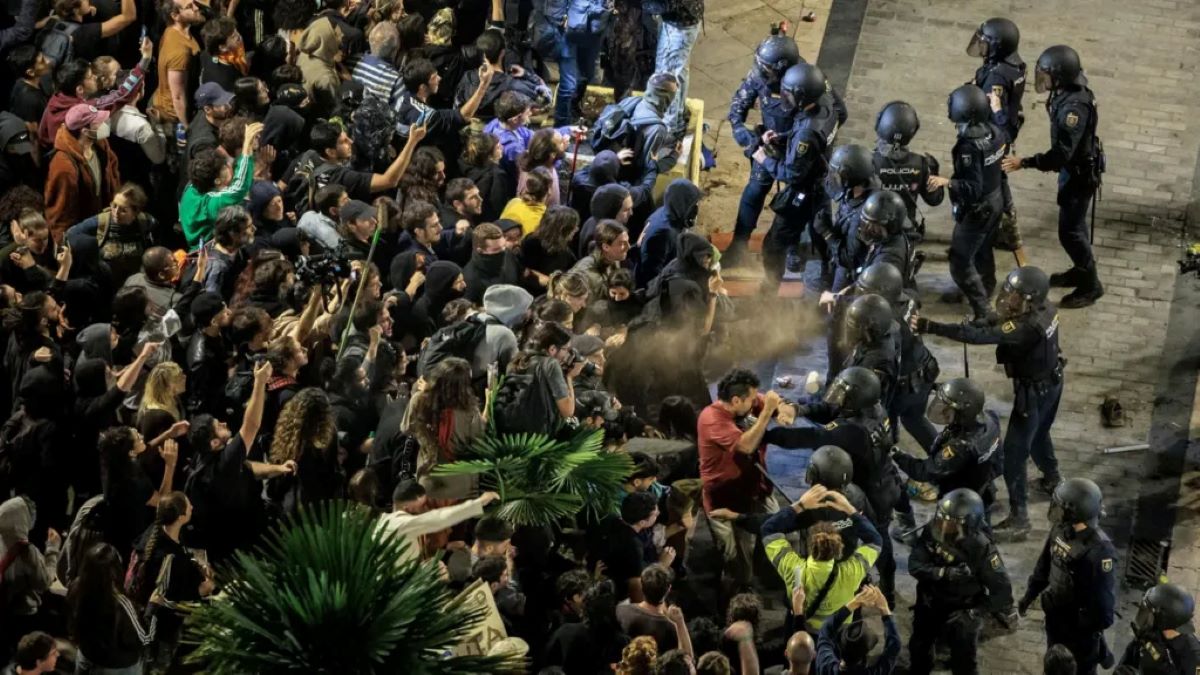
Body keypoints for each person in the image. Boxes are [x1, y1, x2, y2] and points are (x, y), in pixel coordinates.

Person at [913, 266, 1063, 540]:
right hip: (1052, 383)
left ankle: (1020, 518)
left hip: (1033, 393)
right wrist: (985, 320)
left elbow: (984, 336)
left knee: (1015, 456)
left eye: (1017, 297)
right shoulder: (1045, 310)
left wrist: (930, 326)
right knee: (1040, 434)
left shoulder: (1025, 328)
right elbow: (1001, 321)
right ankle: (1052, 477)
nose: (1010, 301)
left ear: (1031, 300)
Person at [1002, 45, 1104, 308]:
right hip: (1074, 171)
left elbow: (1061, 155)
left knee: (1070, 233)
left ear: (1061, 77)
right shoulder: (1067, 91)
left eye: (1047, 75)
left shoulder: (1074, 109)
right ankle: (1081, 270)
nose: (1043, 80)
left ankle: (1090, 285)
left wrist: (1025, 162)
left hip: (1079, 175)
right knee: (1075, 228)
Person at [907, 488, 1016, 675]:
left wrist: (975, 612)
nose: (943, 525)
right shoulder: (932, 530)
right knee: (918, 649)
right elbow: (915, 564)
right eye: (942, 518)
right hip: (930, 602)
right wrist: (943, 572)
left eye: (950, 523)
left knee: (964, 662)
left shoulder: (981, 547)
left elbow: (1003, 593)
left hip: (961, 611)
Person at [696, 368, 784, 590]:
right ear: (736, 400)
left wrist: (780, 408)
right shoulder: (711, 418)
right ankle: (734, 592)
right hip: (723, 497)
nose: (756, 402)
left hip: (755, 488)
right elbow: (745, 445)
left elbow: (773, 404)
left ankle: (763, 573)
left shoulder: (746, 405)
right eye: (752, 398)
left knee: (775, 526)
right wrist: (767, 413)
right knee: (734, 557)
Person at [1018, 478, 1116, 675]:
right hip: (1056, 618)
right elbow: (1044, 566)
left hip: (1080, 633)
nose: (1056, 510)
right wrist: (1029, 595)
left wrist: (1083, 626)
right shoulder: (1061, 529)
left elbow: (1104, 609)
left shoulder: (1099, 552)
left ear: (1076, 512)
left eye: (1061, 506)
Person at [725, 33, 803, 266]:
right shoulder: (759, 75)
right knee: (754, 190)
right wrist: (747, 138)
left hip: (798, 149)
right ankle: (739, 243)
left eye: (767, 69)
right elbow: (737, 108)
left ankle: (793, 246)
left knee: (799, 199)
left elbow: (827, 116)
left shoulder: (805, 79)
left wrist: (790, 138)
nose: (761, 72)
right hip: (768, 146)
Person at [930, 84, 1006, 322]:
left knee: (960, 260)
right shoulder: (995, 132)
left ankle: (983, 310)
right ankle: (987, 284)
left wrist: (947, 182)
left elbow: (972, 189)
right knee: (983, 248)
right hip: (996, 200)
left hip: (978, 210)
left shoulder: (968, 148)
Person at [761, 486, 881, 632]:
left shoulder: (794, 569)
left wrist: (800, 505)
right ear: (839, 549)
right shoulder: (852, 572)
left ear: (810, 545)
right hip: (836, 634)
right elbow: (875, 540)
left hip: (801, 630)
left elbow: (768, 529)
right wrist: (850, 509)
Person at [764, 63, 839, 291]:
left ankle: (768, 291)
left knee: (774, 244)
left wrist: (762, 158)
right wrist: (786, 137)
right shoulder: (827, 105)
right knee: (818, 238)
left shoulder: (806, 134)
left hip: (803, 192)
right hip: (821, 182)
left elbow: (792, 174)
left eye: (789, 93)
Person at [892, 378, 1001, 510]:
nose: (944, 412)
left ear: (964, 413)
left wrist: (897, 454)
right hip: (982, 490)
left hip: (959, 503)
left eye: (949, 409)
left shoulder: (959, 448)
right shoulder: (990, 419)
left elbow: (924, 471)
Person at [967, 18, 1025, 251]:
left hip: (993, 136)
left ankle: (1002, 230)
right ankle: (1009, 228)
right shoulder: (1015, 65)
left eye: (986, 43)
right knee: (998, 178)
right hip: (1004, 132)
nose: (982, 47)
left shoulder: (997, 77)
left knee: (990, 180)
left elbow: (992, 107)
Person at [66, 543, 155, 674]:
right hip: (115, 667)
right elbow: (144, 638)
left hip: (86, 657)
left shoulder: (76, 588)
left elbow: (72, 623)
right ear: (114, 571)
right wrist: (153, 608)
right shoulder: (121, 603)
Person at [44, 104, 123, 242]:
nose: (105, 125)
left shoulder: (101, 146)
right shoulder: (63, 165)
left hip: (103, 226)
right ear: (85, 131)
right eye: (99, 123)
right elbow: (60, 213)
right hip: (81, 234)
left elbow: (114, 178)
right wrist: (63, 245)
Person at [378, 480, 500, 565]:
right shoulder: (401, 524)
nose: (425, 509)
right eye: (421, 505)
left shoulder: (383, 521)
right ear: (407, 507)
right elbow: (440, 518)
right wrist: (480, 502)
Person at [179, 122, 261, 247]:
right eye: (225, 167)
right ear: (217, 181)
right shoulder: (209, 205)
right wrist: (247, 149)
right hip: (207, 253)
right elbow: (239, 188)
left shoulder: (193, 187)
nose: (229, 166)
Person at [871, 101, 944, 239]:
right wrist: (934, 172)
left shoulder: (869, 161)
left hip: (874, 229)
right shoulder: (921, 163)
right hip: (904, 230)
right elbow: (935, 199)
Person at [813, 586, 899, 675]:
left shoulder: (825, 665)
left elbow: (826, 628)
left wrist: (854, 603)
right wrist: (884, 608)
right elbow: (894, 646)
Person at [1120, 582, 1200, 674]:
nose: (1147, 617)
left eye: (1150, 613)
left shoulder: (1194, 658)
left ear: (1164, 619)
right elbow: (1129, 657)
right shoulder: (1150, 632)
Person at [152, 0, 205, 132]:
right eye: (189, 7)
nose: (196, 8)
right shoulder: (180, 52)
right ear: (175, 16)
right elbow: (178, 96)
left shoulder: (173, 30)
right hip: (174, 116)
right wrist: (186, 127)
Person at [637, 179, 701, 289]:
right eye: (692, 204)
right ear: (682, 204)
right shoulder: (664, 233)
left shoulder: (665, 212)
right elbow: (652, 276)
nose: (695, 209)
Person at [651, 0, 702, 135]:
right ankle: (678, 118)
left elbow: (664, 5)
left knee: (666, 78)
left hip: (678, 27)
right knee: (679, 73)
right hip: (685, 22)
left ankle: (668, 128)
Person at [615, 564, 685, 653]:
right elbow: (685, 657)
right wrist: (680, 623)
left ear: (642, 585)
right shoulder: (671, 628)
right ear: (668, 589)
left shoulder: (620, 611)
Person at [463, 222, 523, 303]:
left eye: (503, 247)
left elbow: (522, 275)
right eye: (496, 250)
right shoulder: (470, 278)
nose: (503, 251)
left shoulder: (508, 254)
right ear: (480, 251)